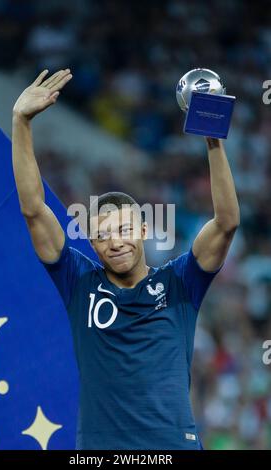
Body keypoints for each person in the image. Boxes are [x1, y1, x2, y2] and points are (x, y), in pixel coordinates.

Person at [12, 69, 240, 450]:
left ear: (144, 230)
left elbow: (227, 223)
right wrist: (21, 123)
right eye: (101, 235)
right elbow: (34, 211)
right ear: (91, 244)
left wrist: (213, 139)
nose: (114, 242)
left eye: (123, 230)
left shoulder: (181, 282)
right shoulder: (78, 281)